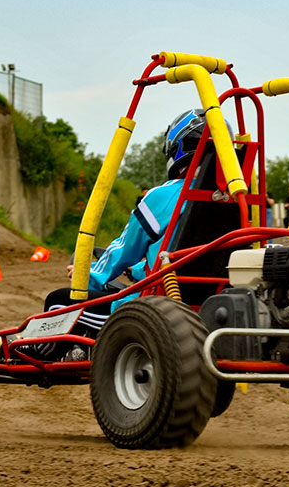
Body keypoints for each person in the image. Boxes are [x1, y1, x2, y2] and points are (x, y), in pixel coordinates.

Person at [33, 108, 224, 361]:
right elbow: (184, 256)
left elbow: (123, 250)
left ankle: (35, 354)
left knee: (58, 301)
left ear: (178, 147)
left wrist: (88, 275)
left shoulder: (164, 196)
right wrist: (133, 272)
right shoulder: (236, 202)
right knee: (116, 284)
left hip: (152, 308)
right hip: (210, 303)